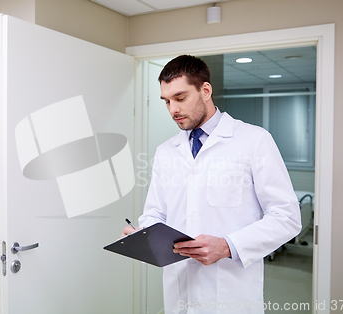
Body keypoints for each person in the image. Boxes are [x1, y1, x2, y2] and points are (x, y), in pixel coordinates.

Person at [122, 55, 301, 314]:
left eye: (180, 98)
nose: (173, 110)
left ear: (205, 90)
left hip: (231, 293)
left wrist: (228, 245)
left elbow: (286, 217)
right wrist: (144, 235)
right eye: (167, 101)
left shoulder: (254, 141)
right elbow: (155, 213)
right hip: (180, 291)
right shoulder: (166, 151)